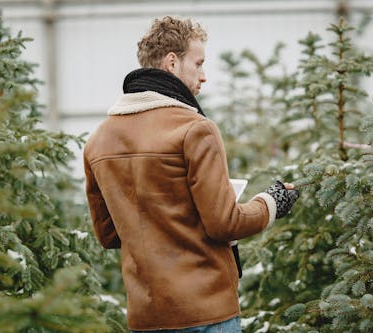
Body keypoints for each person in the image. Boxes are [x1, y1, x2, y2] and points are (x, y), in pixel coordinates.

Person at [84, 16, 299, 333]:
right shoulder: (195, 129)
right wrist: (272, 202)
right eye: (198, 64)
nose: (204, 76)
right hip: (206, 314)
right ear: (172, 63)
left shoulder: (98, 140)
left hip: (146, 317)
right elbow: (224, 223)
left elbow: (109, 235)